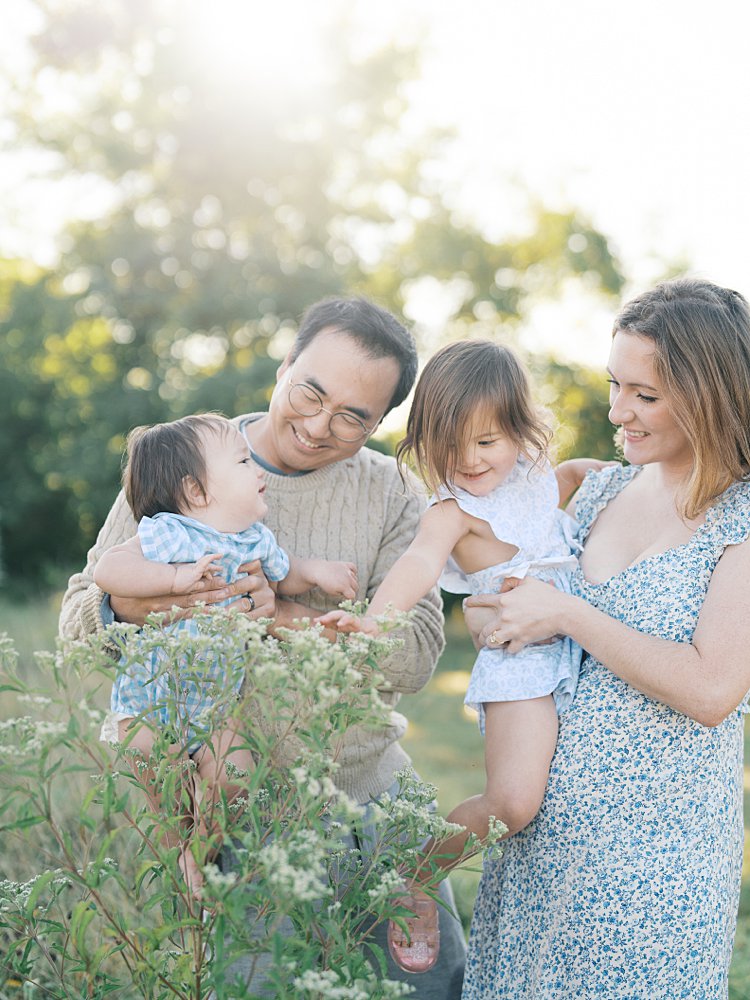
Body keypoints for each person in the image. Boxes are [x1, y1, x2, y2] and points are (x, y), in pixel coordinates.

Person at [59, 297, 466, 998]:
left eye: (353, 417)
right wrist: (148, 600)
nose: (318, 425)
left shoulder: (396, 491)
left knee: (433, 985)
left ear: (380, 423)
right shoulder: (184, 459)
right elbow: (78, 627)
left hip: (371, 806)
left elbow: (420, 653)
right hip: (235, 818)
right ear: (283, 366)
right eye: (310, 392)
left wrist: (284, 612)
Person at [460, 278, 750, 998]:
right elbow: (514, 607)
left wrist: (566, 613)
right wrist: (500, 615)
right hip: (539, 854)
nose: (618, 410)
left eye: (645, 395)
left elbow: (714, 689)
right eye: (615, 384)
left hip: (651, 878)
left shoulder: (741, 519)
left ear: (711, 395)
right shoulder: (600, 490)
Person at [319, 339, 594, 974]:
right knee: (514, 804)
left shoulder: (531, 481)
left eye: (487, 442)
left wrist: (594, 473)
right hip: (524, 664)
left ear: (520, 434)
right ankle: (416, 872)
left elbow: (569, 483)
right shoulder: (451, 511)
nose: (468, 460)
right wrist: (372, 621)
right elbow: (417, 565)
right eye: (451, 443)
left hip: (586, 651)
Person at [93, 413, 357, 892]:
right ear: (196, 491)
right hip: (151, 698)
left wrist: (317, 572)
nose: (258, 470)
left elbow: (284, 574)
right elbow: (110, 569)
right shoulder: (170, 533)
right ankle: (179, 849)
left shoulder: (254, 540)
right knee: (160, 771)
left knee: (236, 774)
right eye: (242, 461)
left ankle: (199, 855)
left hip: (216, 705)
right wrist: (174, 580)